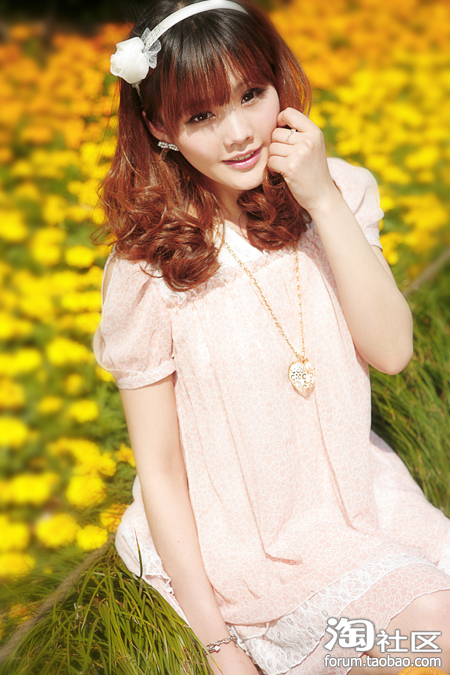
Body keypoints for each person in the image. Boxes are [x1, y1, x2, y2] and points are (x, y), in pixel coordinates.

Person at [92, 1, 450, 673]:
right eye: (202, 116)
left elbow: (392, 351)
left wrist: (321, 199)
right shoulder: (149, 269)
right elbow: (161, 471)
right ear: (160, 128)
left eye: (251, 95)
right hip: (251, 547)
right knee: (437, 638)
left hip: (364, 500)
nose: (238, 134)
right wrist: (219, 646)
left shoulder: (337, 193)